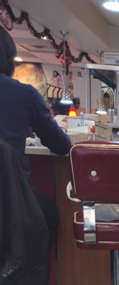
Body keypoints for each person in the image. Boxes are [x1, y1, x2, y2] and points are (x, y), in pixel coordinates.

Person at [0, 26, 71, 246]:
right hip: (10, 198)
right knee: (50, 217)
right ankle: (25, 274)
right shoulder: (24, 94)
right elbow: (61, 146)